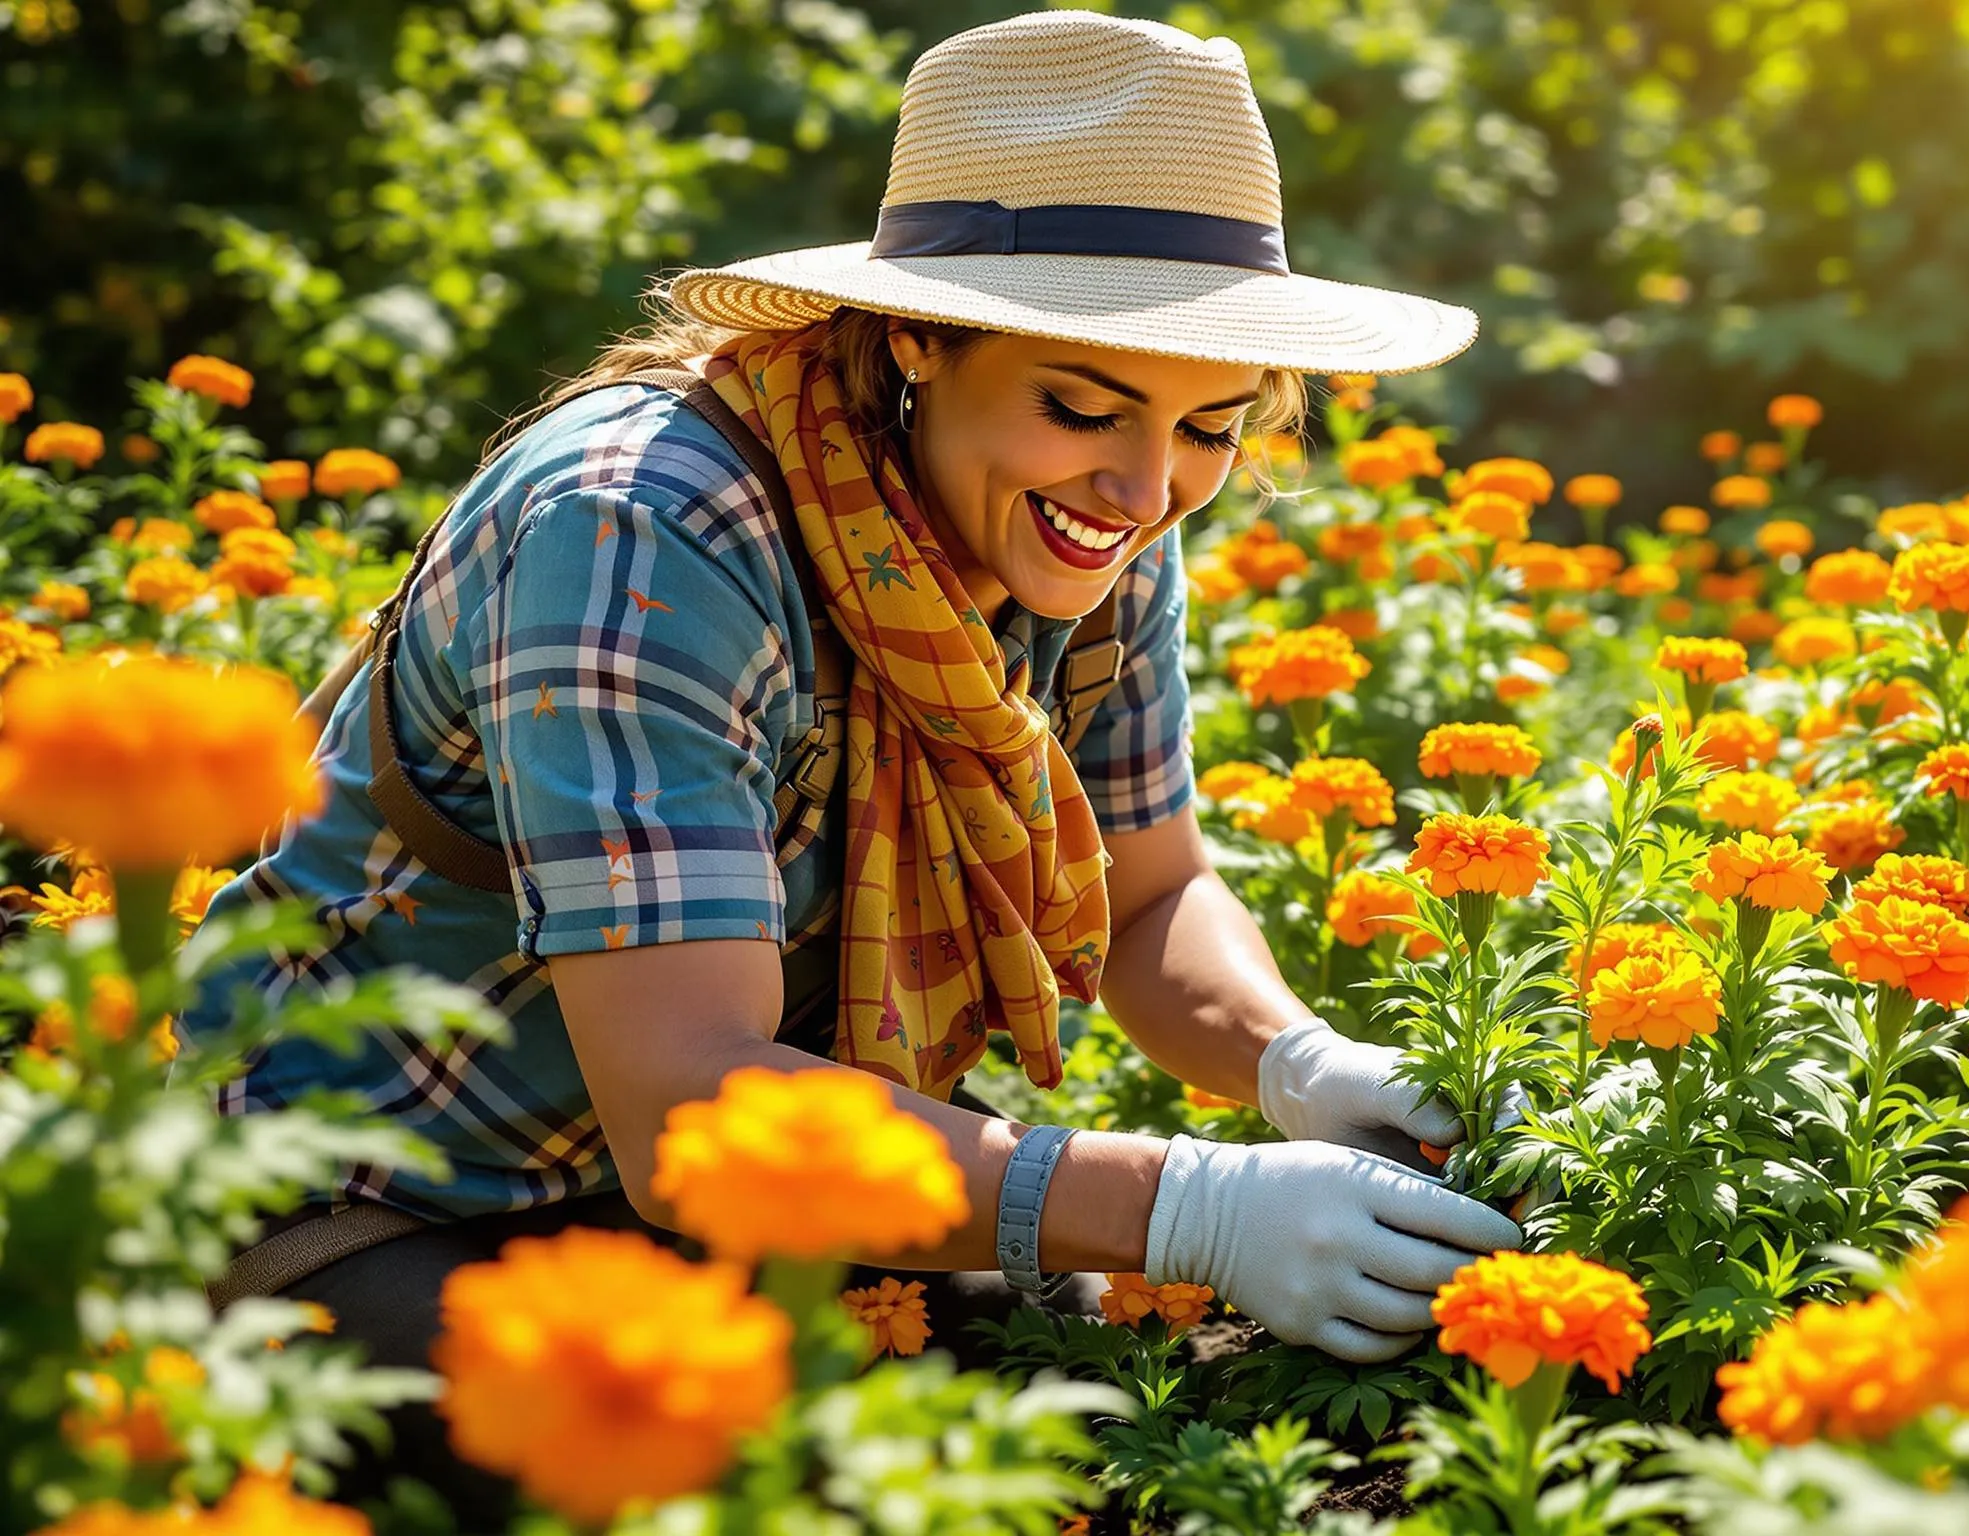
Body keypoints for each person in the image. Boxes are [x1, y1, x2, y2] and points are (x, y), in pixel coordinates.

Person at [179, 9, 1516, 1515]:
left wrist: (1296, 1064)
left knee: (1097, 1430)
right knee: (762, 1488)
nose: (1147, 487)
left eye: (1209, 426)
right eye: (1083, 404)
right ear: (917, 339)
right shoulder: (642, 529)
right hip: (396, 1200)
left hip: (776, 1200)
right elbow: (692, 1105)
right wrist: (1193, 1205)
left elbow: (1151, 904)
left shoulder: (1091, 527)